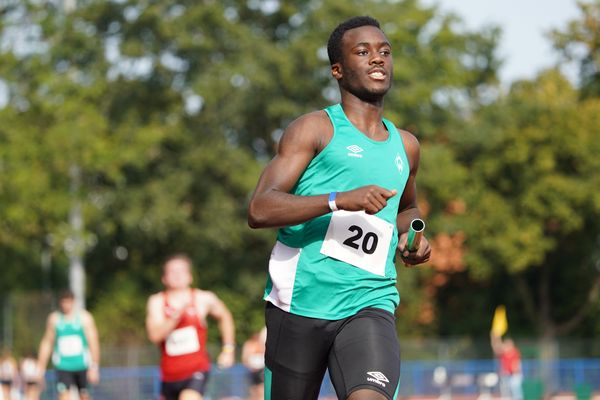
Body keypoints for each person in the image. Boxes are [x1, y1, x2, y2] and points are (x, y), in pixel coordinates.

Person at [247, 15, 431, 400]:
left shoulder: (406, 146)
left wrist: (412, 236)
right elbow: (260, 209)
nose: (377, 59)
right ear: (338, 70)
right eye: (362, 52)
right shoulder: (313, 130)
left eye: (384, 52)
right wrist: (337, 200)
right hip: (300, 303)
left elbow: (406, 209)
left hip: (370, 299)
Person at [146, 254, 236, 400]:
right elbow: (154, 336)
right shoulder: (156, 302)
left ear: (190, 277)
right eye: (172, 272)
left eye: (181, 271)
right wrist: (175, 317)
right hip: (169, 376)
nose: (177, 275)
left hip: (196, 371)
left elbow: (225, 316)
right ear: (164, 278)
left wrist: (228, 349)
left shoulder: (203, 298)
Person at [37, 289, 100, 400]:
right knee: (63, 396)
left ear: (73, 302)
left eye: (69, 302)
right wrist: (41, 367)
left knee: (84, 396)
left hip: (82, 365)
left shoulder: (84, 318)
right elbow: (47, 343)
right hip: (63, 365)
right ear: (60, 302)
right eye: (64, 302)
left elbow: (93, 343)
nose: (66, 305)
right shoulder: (55, 319)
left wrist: (94, 367)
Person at [491, 333, 523, 400]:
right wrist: (495, 338)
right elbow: (497, 348)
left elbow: (515, 365)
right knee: (506, 392)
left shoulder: (515, 352)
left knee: (516, 391)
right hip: (506, 374)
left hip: (514, 374)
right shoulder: (504, 353)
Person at [241, 327, 266, 400]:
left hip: (260, 369)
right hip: (251, 370)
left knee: (261, 389)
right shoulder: (248, 344)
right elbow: (245, 357)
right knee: (253, 390)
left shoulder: (261, 344)